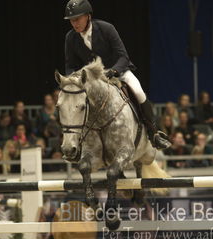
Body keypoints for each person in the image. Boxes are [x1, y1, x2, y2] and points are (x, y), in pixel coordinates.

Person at [63, 0, 170, 149]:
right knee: (73, 102)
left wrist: (113, 71)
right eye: (71, 21)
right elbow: (70, 65)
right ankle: (77, 143)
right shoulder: (70, 37)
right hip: (92, 80)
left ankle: (154, 134)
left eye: (77, 19)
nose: (74, 24)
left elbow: (123, 56)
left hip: (117, 72)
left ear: (88, 16)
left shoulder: (106, 28)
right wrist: (73, 80)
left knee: (138, 91)